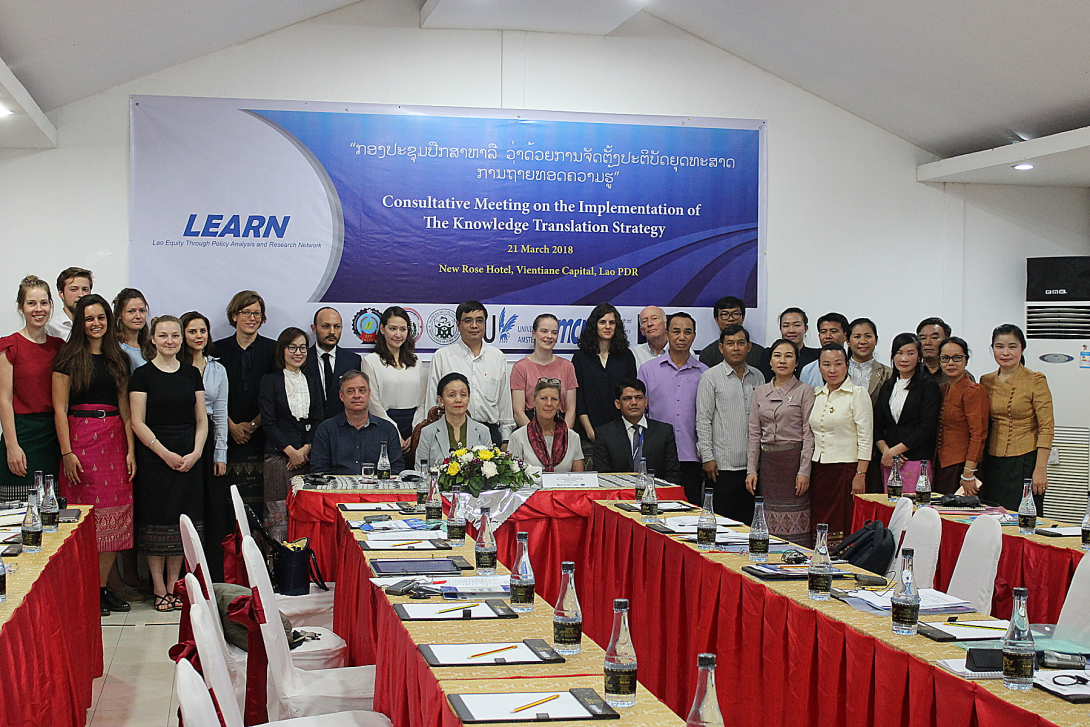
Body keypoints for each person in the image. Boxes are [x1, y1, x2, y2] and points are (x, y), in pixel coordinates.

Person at [52, 294, 136, 615]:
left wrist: (130, 450)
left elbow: (126, 410)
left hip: (114, 442)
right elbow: (59, 410)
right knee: (86, 521)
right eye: (89, 318)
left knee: (114, 519)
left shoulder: (118, 358)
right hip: (80, 442)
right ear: (79, 323)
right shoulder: (67, 358)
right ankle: (85, 592)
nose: (96, 323)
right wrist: (67, 452)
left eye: (101, 317)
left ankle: (102, 590)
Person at [129, 315, 207, 612]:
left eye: (175, 335)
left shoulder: (191, 374)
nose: (170, 341)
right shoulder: (143, 375)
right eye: (163, 336)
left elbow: (202, 419)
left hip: (189, 456)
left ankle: (175, 582)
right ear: (153, 339)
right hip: (155, 456)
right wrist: (164, 454)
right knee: (156, 521)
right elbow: (137, 421)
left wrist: (197, 452)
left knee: (181, 521)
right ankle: (158, 587)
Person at [210, 291, 275, 581]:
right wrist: (232, 426)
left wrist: (252, 424)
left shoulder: (273, 350)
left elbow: (276, 397)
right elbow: (210, 396)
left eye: (257, 313)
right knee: (225, 509)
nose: (252, 318)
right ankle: (228, 572)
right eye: (246, 312)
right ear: (234, 315)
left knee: (260, 509)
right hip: (224, 439)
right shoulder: (216, 350)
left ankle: (260, 571)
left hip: (261, 438)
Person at [0, 276, 64, 501]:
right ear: (21, 307)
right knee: (18, 514)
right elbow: (4, 400)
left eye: (44, 303)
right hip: (22, 435)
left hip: (52, 437)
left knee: (52, 511)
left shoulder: (59, 348)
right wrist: (12, 446)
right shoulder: (10, 345)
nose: (39, 309)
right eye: (31, 303)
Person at [747, 339, 815, 547]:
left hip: (793, 461)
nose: (782, 361)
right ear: (770, 362)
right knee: (767, 517)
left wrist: (804, 471)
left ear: (797, 363)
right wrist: (751, 469)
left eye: (788, 356)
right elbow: (754, 433)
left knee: (796, 520)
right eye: (777, 355)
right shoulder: (760, 391)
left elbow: (809, 433)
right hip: (769, 464)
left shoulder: (806, 391)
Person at [418, 301, 515, 449]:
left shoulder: (497, 357)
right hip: (450, 433)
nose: (474, 325)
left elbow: (504, 403)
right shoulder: (443, 356)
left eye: (479, 320)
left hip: (490, 432)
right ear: (458, 324)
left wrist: (506, 440)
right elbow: (433, 402)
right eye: (468, 320)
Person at [980, 324, 1053, 512]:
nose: (1005, 352)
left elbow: (1046, 427)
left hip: (1025, 461)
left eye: (1012, 347)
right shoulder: (985, 381)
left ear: (1022, 349)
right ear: (992, 349)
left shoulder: (1035, 379)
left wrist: (1040, 469)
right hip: (992, 461)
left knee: (1022, 517)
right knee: (992, 516)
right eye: (999, 346)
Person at [259, 327, 323, 541]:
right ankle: (276, 565)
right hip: (278, 457)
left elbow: (318, 419)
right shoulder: (270, 381)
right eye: (292, 347)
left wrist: (305, 449)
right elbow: (268, 422)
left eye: (303, 348)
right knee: (277, 515)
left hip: (307, 457)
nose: (298, 353)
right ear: (282, 350)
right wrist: (290, 452)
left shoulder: (312, 380)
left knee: (305, 513)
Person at [696, 324, 763, 521]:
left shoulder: (758, 376)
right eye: (730, 344)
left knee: (748, 522)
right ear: (721, 348)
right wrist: (707, 457)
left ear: (749, 346)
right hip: (722, 467)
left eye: (741, 343)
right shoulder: (710, 377)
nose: (736, 348)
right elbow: (703, 419)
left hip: (752, 467)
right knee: (723, 524)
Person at [808, 343, 872, 546]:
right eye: (826, 364)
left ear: (847, 366)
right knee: (820, 521)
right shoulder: (816, 394)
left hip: (846, 468)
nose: (832, 370)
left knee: (842, 522)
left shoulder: (857, 394)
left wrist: (860, 474)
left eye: (838, 364)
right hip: (819, 468)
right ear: (819, 367)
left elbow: (865, 437)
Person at [179, 311, 229, 571]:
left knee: (211, 505)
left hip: (208, 436)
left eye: (202, 331)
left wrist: (220, 453)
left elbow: (221, 413)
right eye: (192, 331)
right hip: (179, 435)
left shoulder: (217, 368)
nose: (198, 336)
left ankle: (211, 569)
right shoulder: (174, 365)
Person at [639, 312, 707, 500]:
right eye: (676, 331)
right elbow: (639, 413)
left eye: (687, 332)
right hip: (656, 454)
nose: (682, 337)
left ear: (694, 336)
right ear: (667, 334)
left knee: (689, 510)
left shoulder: (705, 373)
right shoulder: (648, 370)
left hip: (691, 455)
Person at [873, 333, 942, 496]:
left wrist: (895, 451)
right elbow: (877, 424)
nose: (904, 359)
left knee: (913, 512)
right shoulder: (888, 387)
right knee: (891, 510)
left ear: (919, 357)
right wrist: (886, 452)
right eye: (899, 353)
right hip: (889, 461)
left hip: (916, 459)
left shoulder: (928, 386)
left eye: (910, 353)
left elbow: (926, 427)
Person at [573, 303, 638, 459]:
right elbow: (579, 399)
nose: (607, 326)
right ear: (594, 325)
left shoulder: (626, 356)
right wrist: (589, 431)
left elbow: (630, 396)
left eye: (612, 322)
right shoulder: (581, 358)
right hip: (588, 434)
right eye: (602, 322)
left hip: (621, 433)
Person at [311, 370, 404, 475]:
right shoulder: (326, 430)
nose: (357, 395)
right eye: (350, 391)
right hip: (338, 489)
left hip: (377, 489)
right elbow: (319, 470)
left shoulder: (387, 430)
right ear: (341, 396)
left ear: (369, 394)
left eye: (362, 390)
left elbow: (397, 469)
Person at [306, 307, 388, 422]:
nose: (332, 332)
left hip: (344, 429)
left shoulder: (352, 361)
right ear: (314, 329)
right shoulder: (303, 359)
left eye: (337, 326)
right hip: (310, 429)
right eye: (326, 326)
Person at [592, 380, 681, 484]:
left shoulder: (664, 431)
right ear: (618, 404)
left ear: (645, 402)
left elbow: (673, 474)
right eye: (627, 398)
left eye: (639, 398)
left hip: (656, 495)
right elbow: (602, 476)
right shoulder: (605, 434)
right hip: (618, 496)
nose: (634, 402)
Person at [365, 306, 425, 450]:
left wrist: (416, 432)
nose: (398, 334)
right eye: (393, 328)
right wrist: (394, 432)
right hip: (382, 425)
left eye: (403, 329)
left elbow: (423, 402)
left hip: (413, 427)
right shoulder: (370, 361)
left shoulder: (416, 361)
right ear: (382, 329)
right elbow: (373, 404)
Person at [935, 337, 989, 495]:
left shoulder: (973, 390)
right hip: (942, 465)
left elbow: (978, 434)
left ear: (966, 360)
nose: (950, 363)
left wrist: (968, 473)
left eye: (957, 358)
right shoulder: (942, 389)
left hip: (963, 467)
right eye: (945, 359)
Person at [510, 314, 578, 430]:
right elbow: (518, 412)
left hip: (560, 429)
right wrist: (535, 437)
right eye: (544, 331)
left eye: (554, 332)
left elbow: (571, 410)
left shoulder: (568, 367)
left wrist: (564, 436)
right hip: (529, 429)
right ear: (533, 333)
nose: (549, 336)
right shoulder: (520, 368)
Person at [415, 373, 493, 468]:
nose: (458, 400)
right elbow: (420, 471)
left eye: (463, 395)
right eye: (452, 395)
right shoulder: (428, 432)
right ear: (441, 400)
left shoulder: (483, 431)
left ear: (469, 398)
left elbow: (489, 468)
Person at [508, 378, 584, 472]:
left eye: (554, 399)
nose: (549, 403)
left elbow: (579, 478)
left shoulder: (573, 437)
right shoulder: (518, 437)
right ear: (534, 402)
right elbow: (513, 477)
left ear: (559, 405)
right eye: (543, 398)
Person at [697, 296, 765, 373]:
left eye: (735, 314)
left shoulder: (760, 353)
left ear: (743, 317)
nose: (731, 319)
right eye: (725, 314)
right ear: (716, 320)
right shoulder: (708, 354)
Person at [757, 308, 818, 380]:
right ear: (780, 329)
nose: (791, 330)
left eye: (797, 325)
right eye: (786, 326)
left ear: (806, 328)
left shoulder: (816, 356)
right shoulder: (768, 354)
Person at [799, 313, 849, 386]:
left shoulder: (854, 368)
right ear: (819, 336)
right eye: (823, 332)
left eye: (834, 331)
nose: (828, 336)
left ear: (845, 336)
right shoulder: (808, 370)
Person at [45, 266, 93, 340]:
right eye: (74, 289)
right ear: (61, 293)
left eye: (85, 289)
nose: (81, 294)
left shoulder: (97, 325)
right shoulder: (51, 328)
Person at [113, 288, 151, 372]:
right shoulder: (115, 347)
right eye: (131, 311)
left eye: (142, 311)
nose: (138, 316)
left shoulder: (151, 346)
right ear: (119, 314)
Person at [917, 317, 951, 383]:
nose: (927, 343)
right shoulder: (911, 372)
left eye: (934, 338)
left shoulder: (956, 374)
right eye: (923, 338)